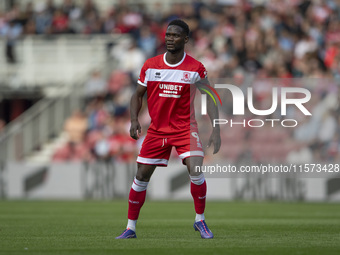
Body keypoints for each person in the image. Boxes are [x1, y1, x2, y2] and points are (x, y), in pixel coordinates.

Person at [116, 19, 221, 239]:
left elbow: (210, 97)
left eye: (175, 35)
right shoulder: (151, 64)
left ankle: (199, 220)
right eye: (168, 35)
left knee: (196, 168)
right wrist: (134, 119)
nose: (170, 39)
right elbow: (137, 95)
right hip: (157, 130)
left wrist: (216, 129)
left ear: (185, 39)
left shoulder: (195, 68)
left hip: (185, 128)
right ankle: (130, 228)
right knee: (141, 175)